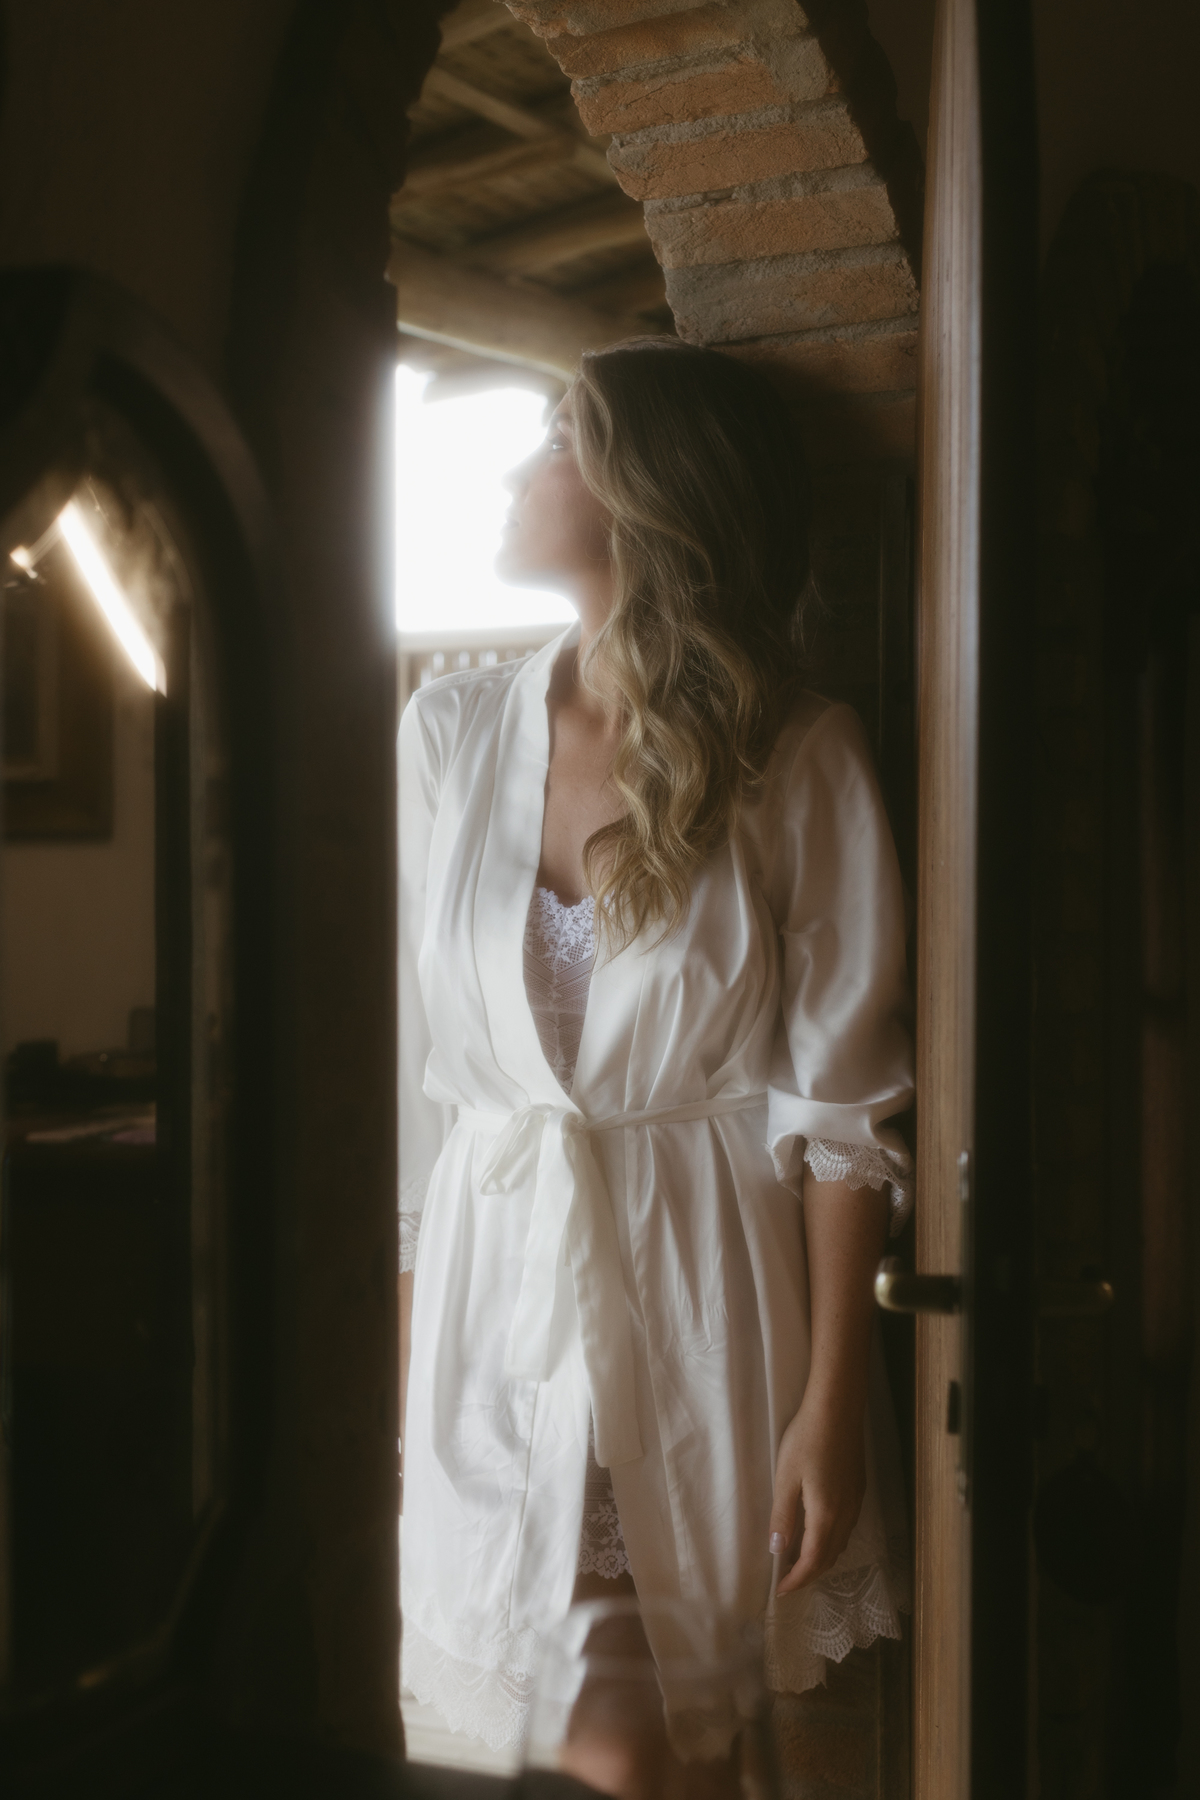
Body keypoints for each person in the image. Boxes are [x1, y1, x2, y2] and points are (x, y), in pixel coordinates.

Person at [398, 338, 913, 1753]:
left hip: (701, 1297)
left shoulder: (794, 753)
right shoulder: (446, 734)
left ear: (652, 492)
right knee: (614, 1746)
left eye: (558, 438)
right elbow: (416, 1096)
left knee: (650, 1743)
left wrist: (832, 1407)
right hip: (489, 1304)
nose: (515, 471)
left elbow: (842, 1114)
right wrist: (399, 1391)